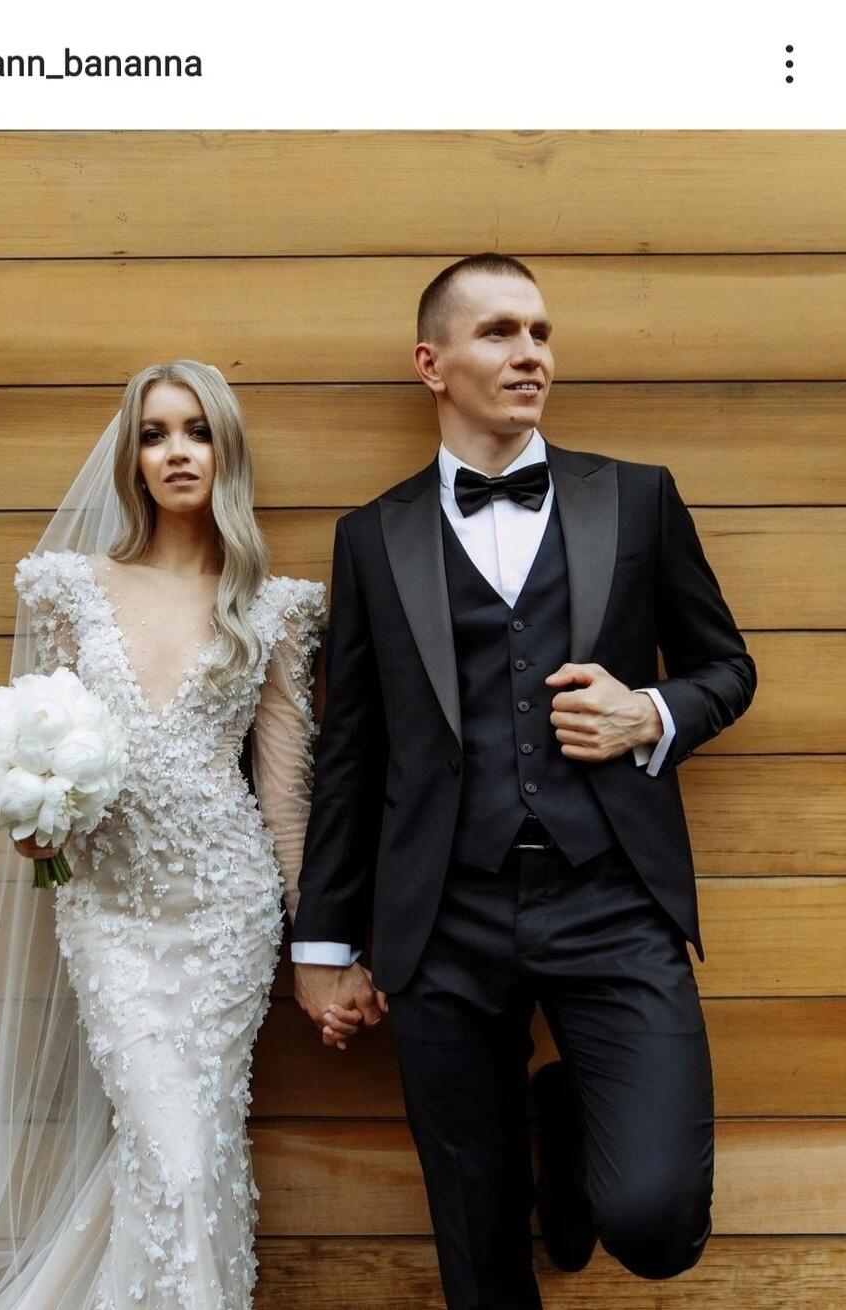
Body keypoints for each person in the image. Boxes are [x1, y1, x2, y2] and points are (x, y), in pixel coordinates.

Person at [291, 254, 756, 1309]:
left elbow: (727, 667)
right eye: (499, 332)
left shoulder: (636, 498)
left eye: (541, 332)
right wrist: (322, 944)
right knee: (481, 1249)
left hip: (612, 899)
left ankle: (566, 1117)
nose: (530, 353)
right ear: (431, 363)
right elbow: (351, 749)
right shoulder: (371, 537)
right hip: (439, 917)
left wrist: (651, 711)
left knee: (657, 1221)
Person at [0, 360, 324, 1309]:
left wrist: (317, 944)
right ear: (130, 458)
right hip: (109, 910)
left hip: (227, 915)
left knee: (195, 1149)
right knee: (171, 1150)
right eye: (154, 434)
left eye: (197, 431)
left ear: (226, 451)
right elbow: (45, 744)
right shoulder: (72, 589)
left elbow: (284, 793)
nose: (177, 451)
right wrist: (36, 827)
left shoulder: (272, 609)